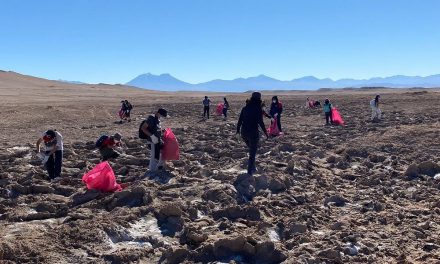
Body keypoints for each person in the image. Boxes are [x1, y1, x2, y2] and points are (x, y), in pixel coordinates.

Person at [237, 92, 269, 175]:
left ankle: (253, 168)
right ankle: (249, 173)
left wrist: (237, 131)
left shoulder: (245, 108)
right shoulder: (258, 109)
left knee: (252, 151)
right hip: (253, 133)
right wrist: (266, 133)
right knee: (252, 153)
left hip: (244, 133)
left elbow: (240, 121)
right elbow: (260, 122)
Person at [139, 108, 168, 172]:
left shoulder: (158, 119)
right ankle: (152, 170)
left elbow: (156, 128)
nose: (162, 117)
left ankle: (160, 166)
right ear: (158, 113)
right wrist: (152, 136)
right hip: (152, 140)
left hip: (158, 140)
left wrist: (162, 131)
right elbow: (143, 128)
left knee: (161, 153)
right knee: (154, 155)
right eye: (162, 115)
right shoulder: (151, 118)